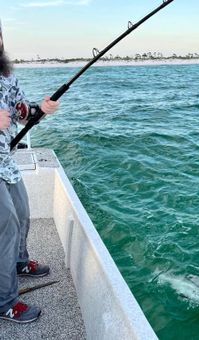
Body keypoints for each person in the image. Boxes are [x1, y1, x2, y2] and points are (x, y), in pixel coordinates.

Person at [0, 20, 59, 323]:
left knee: (22, 212)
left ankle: (19, 262)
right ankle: (4, 302)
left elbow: (21, 110)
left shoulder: (6, 74)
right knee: (5, 224)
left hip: (4, 160)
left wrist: (40, 110)